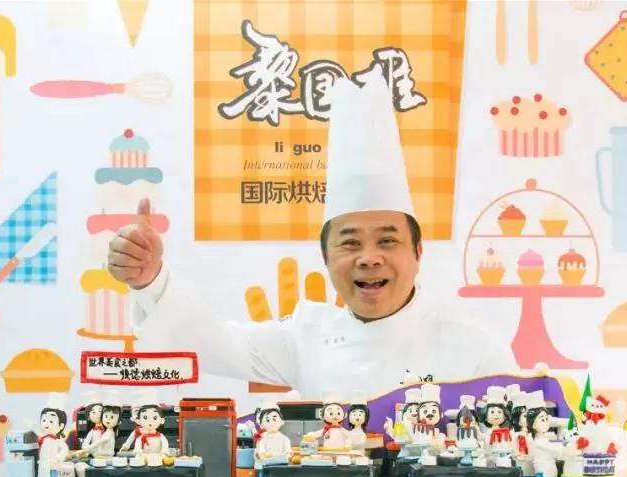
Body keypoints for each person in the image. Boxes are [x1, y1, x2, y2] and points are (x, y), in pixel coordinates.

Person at [108, 77, 513, 398]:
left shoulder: (476, 348)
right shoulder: (306, 337)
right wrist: (150, 280)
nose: (369, 258)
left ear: (418, 253)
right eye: (350, 242)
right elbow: (212, 343)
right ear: (326, 257)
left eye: (387, 241)